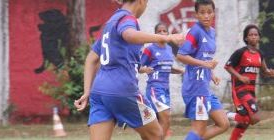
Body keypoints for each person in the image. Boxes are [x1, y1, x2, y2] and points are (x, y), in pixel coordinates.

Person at [73, 0, 184, 139]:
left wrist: (87, 92)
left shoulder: (111, 22)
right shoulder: (128, 18)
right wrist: (165, 38)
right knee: (156, 135)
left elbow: (91, 59)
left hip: (99, 92)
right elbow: (129, 35)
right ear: (141, 1)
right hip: (122, 91)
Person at [175, 0, 230, 139]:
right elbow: (181, 55)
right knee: (198, 129)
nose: (206, 16)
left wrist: (211, 74)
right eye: (202, 12)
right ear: (196, 15)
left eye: (209, 12)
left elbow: (204, 58)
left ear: (214, 13)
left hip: (204, 87)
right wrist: (205, 65)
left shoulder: (211, 32)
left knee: (223, 123)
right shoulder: (195, 31)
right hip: (195, 87)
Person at [224, 24, 274, 140]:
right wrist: (240, 77)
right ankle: (225, 115)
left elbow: (264, 71)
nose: (253, 37)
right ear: (246, 38)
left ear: (259, 37)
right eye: (251, 35)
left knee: (246, 121)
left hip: (251, 91)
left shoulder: (259, 54)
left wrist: (271, 73)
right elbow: (228, 66)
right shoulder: (240, 52)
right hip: (240, 91)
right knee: (255, 118)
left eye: (256, 35)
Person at [138, 23, 184, 139]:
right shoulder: (150, 49)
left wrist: (180, 71)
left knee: (155, 122)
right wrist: (144, 69)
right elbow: (138, 67)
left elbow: (166, 68)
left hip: (165, 89)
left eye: (165, 31)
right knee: (166, 117)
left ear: (168, 34)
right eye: (159, 31)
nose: (162, 33)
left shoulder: (169, 49)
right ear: (155, 34)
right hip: (155, 88)